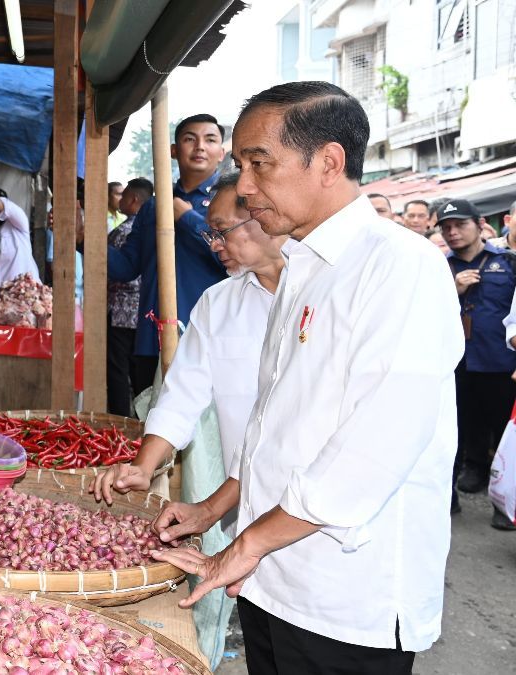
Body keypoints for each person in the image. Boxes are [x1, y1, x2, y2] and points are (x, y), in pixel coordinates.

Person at [154, 81, 462, 674]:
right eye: (241, 165)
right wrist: (219, 513)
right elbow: (278, 429)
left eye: (259, 164)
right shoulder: (300, 268)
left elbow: (373, 451)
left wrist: (245, 543)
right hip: (272, 578)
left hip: (345, 597)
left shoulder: (400, 266)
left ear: (328, 162)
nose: (244, 187)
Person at [94, 170, 284, 507]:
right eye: (212, 233)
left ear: (263, 217)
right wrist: (143, 466)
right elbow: (181, 394)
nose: (214, 244)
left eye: (222, 231)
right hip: (242, 502)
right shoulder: (217, 303)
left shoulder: (324, 291)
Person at [108, 114, 228, 397]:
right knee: (149, 421)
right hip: (151, 339)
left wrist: (188, 218)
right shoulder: (151, 207)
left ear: (221, 153)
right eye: (189, 139)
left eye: (210, 140)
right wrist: (83, 240)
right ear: (173, 151)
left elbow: (230, 256)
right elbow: (126, 267)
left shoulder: (231, 200)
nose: (199, 146)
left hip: (206, 340)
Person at [441, 198, 516, 502]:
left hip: (500, 361)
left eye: (460, 225)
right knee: (462, 424)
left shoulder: (508, 261)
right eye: (446, 228)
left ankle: (506, 491)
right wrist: (452, 290)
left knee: (503, 429)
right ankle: (474, 468)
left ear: (481, 223)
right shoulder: (439, 265)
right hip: (457, 362)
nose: (453, 232)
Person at [107, 177, 152, 416]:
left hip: (121, 313)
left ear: (134, 199)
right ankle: (137, 416)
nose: (120, 200)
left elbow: (120, 268)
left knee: (117, 369)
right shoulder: (144, 227)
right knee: (137, 371)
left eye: (123, 195)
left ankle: (120, 417)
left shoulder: (125, 230)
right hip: (140, 314)